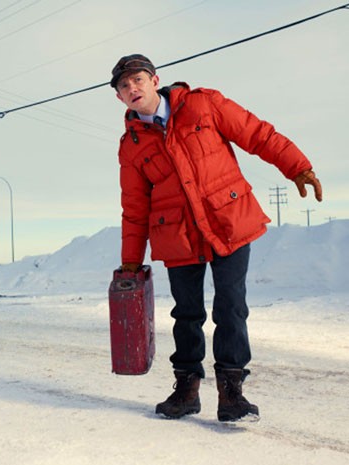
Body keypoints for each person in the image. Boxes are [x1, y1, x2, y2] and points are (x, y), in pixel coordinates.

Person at [111, 54, 322, 422]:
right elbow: (134, 206)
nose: (132, 88)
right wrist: (131, 259)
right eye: (124, 86)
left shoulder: (203, 103)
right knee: (187, 314)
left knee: (231, 307)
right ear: (119, 98)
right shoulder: (131, 144)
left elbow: (257, 133)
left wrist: (297, 166)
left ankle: (232, 392)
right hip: (176, 234)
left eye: (138, 80)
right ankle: (187, 389)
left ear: (155, 80)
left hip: (229, 219)